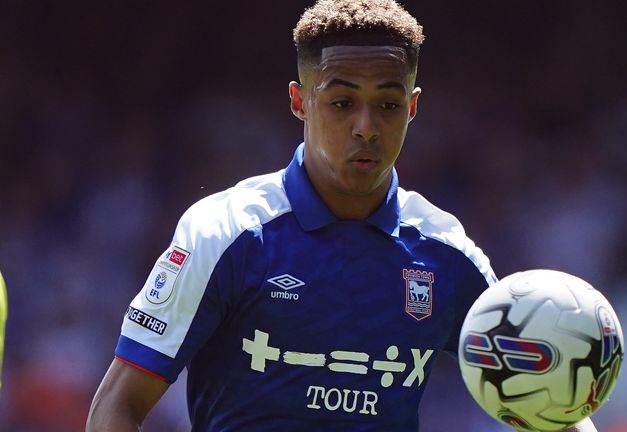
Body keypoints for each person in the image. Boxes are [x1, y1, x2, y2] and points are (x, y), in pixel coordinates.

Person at [87, 1, 597, 431]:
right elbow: (119, 402)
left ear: (413, 108)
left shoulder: (446, 255)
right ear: (299, 100)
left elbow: (547, 403)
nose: (366, 127)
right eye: (342, 101)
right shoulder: (226, 234)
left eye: (388, 105)